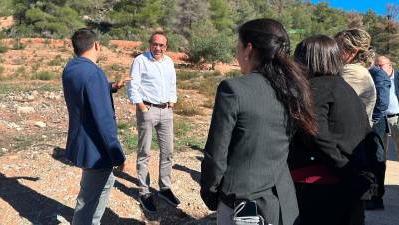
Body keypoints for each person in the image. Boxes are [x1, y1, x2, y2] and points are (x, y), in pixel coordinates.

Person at [200, 18, 317, 225]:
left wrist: (210, 193)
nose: (237, 54)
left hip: (243, 206)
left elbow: (216, 154)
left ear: (249, 49)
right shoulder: (294, 90)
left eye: (238, 47)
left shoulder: (233, 89)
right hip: (283, 203)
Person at [290, 35, 371, 225]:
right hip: (348, 184)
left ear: (306, 60)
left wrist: (342, 167)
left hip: (319, 184)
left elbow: (316, 134)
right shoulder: (346, 89)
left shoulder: (316, 88)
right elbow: (367, 135)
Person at [62, 28, 126, 225]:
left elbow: (85, 91)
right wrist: (117, 154)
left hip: (81, 141)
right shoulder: (94, 72)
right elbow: (104, 120)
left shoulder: (71, 68)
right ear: (96, 45)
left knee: (105, 183)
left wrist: (111, 86)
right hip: (96, 148)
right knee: (88, 199)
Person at [126, 30, 179, 212]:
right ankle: (144, 191)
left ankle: (164, 188)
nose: (158, 48)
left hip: (166, 111)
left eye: (162, 45)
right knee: (144, 152)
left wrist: (172, 103)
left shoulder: (169, 62)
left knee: (168, 151)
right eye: (155, 44)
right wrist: (141, 107)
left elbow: (172, 84)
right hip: (147, 110)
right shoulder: (140, 60)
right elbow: (133, 85)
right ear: (150, 44)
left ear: (166, 46)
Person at [368, 55, 399, 209]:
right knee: (379, 157)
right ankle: (377, 194)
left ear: (390, 65)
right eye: (376, 66)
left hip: (397, 119)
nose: (379, 69)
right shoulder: (373, 77)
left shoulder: (397, 77)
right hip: (380, 120)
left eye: (381, 65)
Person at [334, 29, 376, 125]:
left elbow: (332, 102)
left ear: (352, 52)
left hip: (352, 136)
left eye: (336, 47)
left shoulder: (353, 73)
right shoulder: (356, 70)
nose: (332, 51)